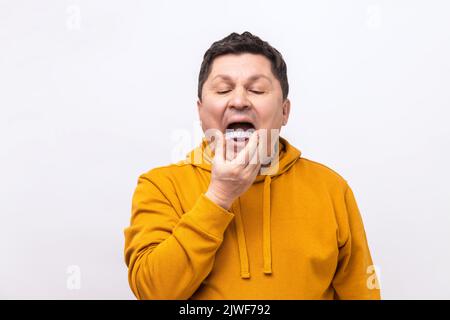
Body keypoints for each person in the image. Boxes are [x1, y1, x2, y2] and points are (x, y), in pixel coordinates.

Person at [124, 31, 381, 300]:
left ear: (284, 111)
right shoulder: (160, 186)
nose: (239, 101)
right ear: (200, 111)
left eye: (256, 90)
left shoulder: (331, 189)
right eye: (223, 90)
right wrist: (219, 197)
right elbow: (152, 292)